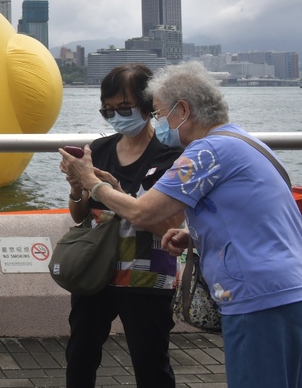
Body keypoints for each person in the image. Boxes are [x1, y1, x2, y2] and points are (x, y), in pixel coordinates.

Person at [61, 61, 302, 388]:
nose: (161, 123)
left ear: (183, 110)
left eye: (160, 114)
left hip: (257, 294)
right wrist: (192, 235)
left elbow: (144, 214)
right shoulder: (246, 141)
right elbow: (250, 214)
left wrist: (91, 181)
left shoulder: (206, 152)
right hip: (289, 286)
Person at [58, 64, 184, 388]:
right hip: (96, 266)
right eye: (108, 110)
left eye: (124, 108)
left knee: (150, 360)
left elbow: (168, 226)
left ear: (148, 105)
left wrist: (114, 191)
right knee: (80, 355)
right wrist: (76, 186)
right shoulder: (98, 150)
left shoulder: (170, 156)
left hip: (147, 274)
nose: (116, 116)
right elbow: (80, 215)